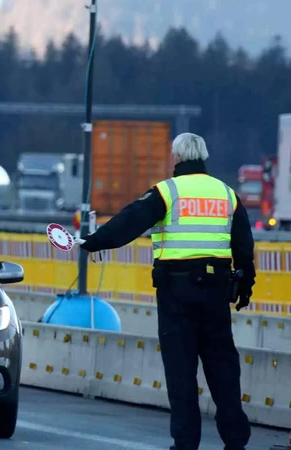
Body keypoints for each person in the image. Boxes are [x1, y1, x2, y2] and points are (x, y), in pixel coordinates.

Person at [76, 132, 254, 450]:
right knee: (223, 366)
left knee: (181, 368)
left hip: (177, 292)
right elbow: (243, 243)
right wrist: (245, 286)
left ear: (176, 158)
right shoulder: (227, 194)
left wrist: (94, 241)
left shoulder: (167, 192)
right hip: (216, 291)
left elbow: (129, 222)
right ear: (203, 157)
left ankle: (186, 442)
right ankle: (236, 440)